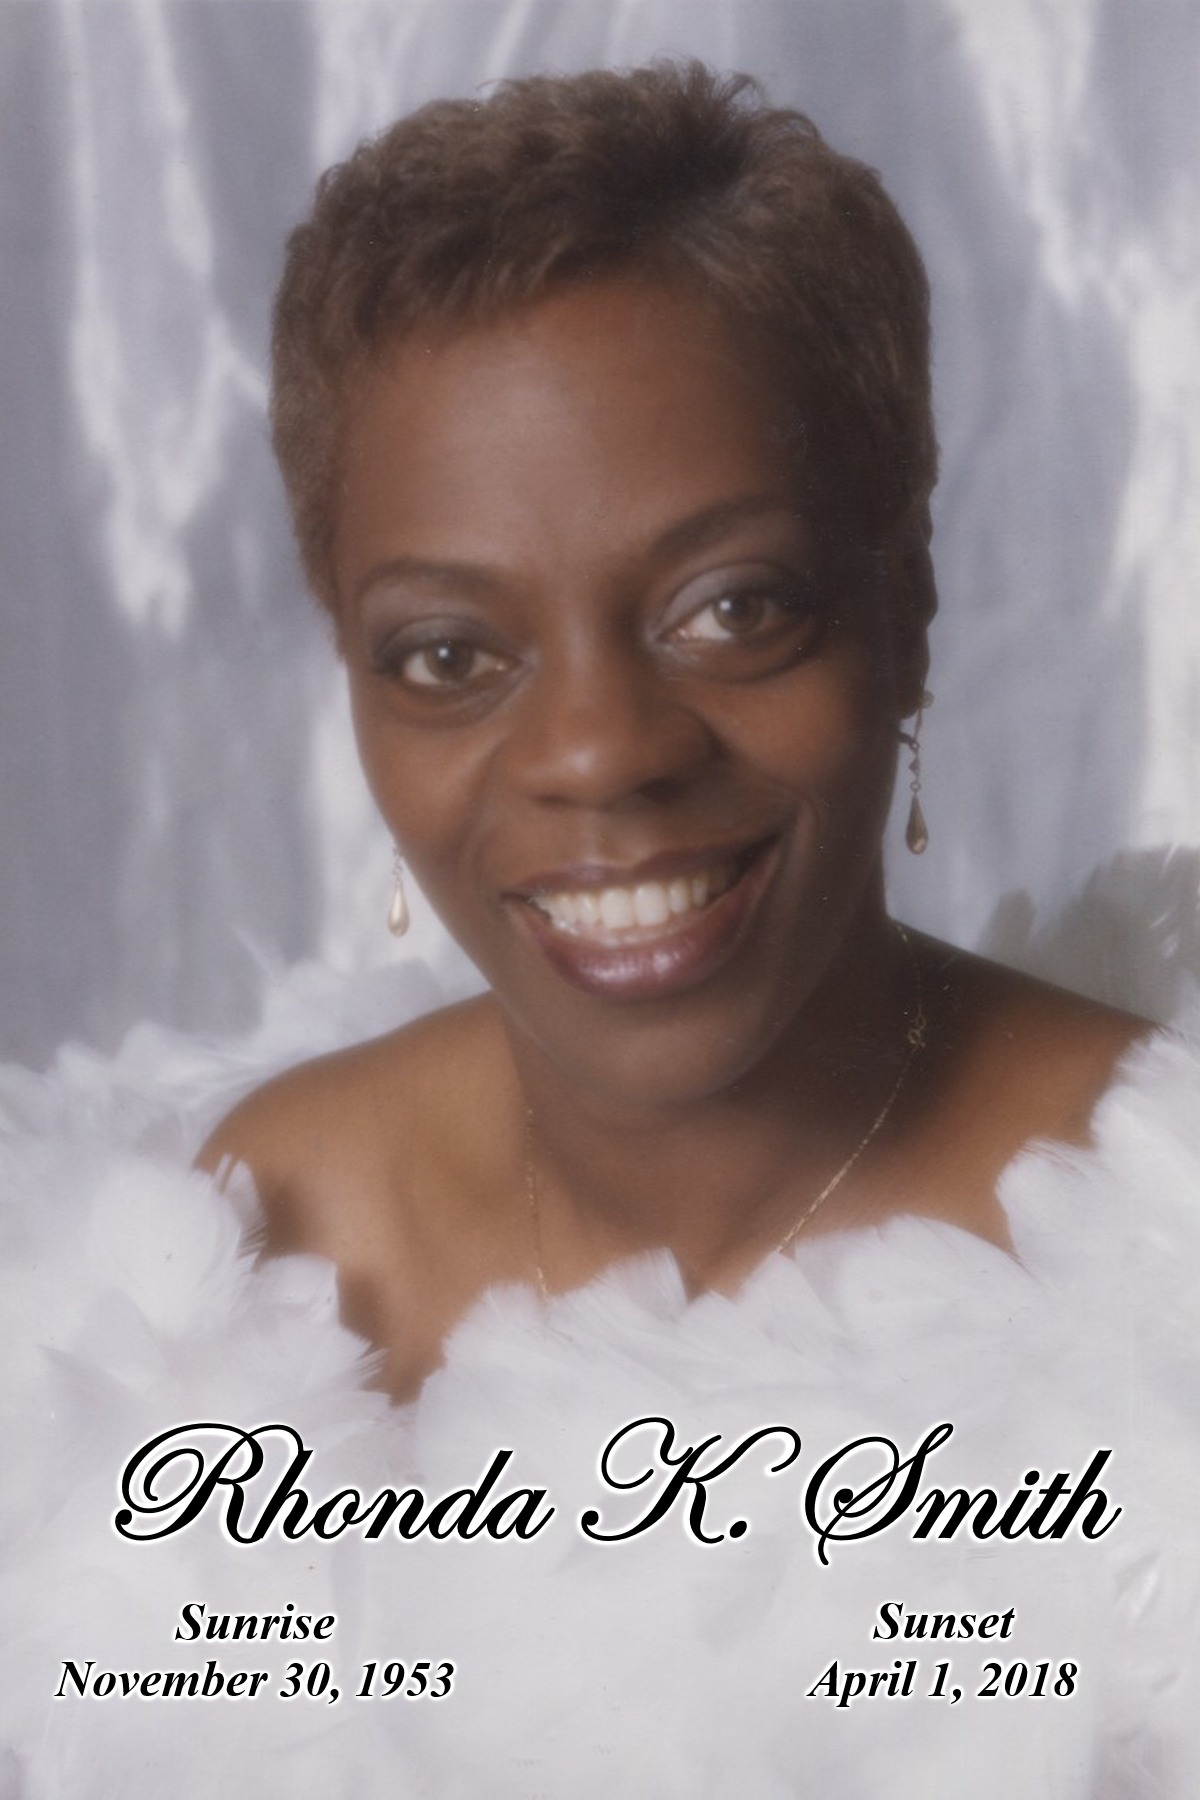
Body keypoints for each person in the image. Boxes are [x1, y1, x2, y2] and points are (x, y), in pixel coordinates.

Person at [4, 60, 1199, 1800]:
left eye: (731, 607)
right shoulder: (231, 1268)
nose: (598, 751)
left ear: (908, 612)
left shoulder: (1169, 1269)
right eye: (448, 654)